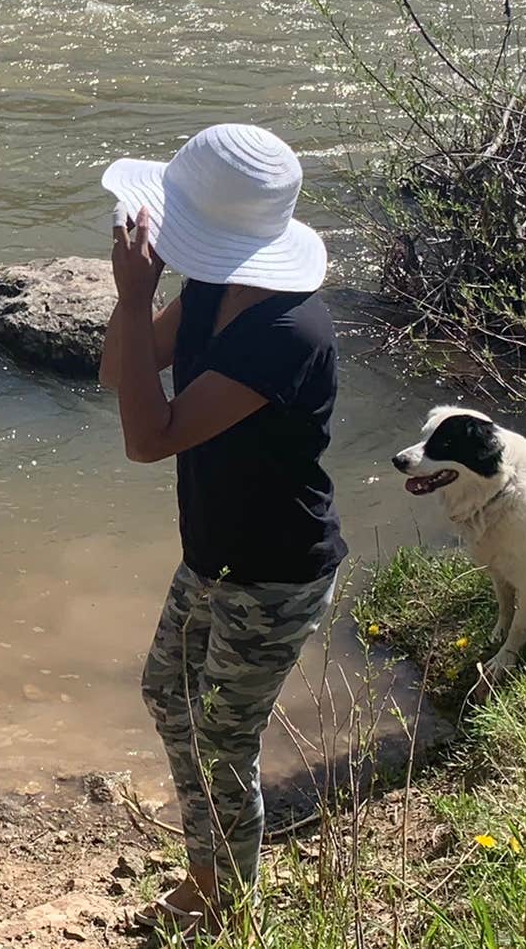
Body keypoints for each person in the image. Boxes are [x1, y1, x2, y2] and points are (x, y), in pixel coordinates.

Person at [98, 122, 344, 934]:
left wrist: (136, 295)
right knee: (166, 694)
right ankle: (210, 866)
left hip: (275, 572)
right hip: (213, 553)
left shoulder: (287, 332)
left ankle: (228, 897)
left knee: (221, 739)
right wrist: (144, 298)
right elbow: (115, 372)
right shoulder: (210, 287)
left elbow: (148, 437)